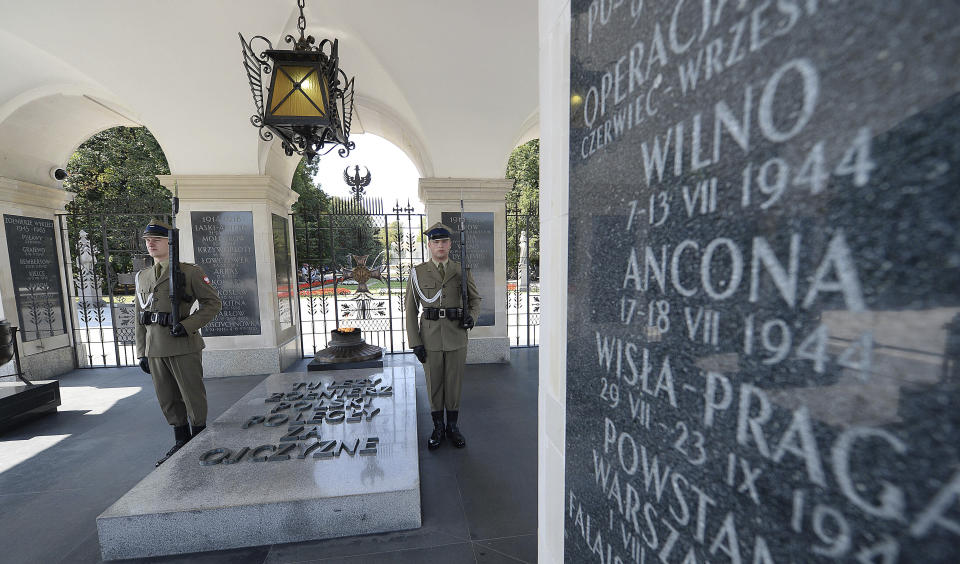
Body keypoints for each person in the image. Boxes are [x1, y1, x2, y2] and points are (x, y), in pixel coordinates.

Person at [135, 220, 222, 466]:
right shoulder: (143, 276)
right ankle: (181, 441)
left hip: (183, 345)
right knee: (168, 398)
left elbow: (213, 304)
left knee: (192, 396)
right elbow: (138, 316)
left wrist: (187, 325)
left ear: (169, 242)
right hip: (155, 348)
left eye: (157, 240)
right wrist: (142, 351)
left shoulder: (190, 272)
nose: (150, 243)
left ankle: (201, 442)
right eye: (147, 240)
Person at [404, 222, 481, 449]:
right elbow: (409, 309)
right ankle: (438, 427)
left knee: (454, 383)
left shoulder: (461, 270)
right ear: (429, 245)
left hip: (456, 335)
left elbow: (476, 300)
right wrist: (415, 342)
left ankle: (452, 427)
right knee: (434, 383)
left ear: (450, 244)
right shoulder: (418, 273)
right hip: (430, 338)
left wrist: (472, 317)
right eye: (436, 242)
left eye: (444, 241)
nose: (440, 246)